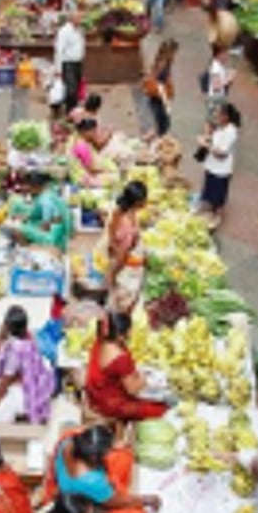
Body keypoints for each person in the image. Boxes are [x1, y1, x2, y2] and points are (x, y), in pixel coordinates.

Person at [42, 424, 160, 513]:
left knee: (121, 455)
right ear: (94, 458)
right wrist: (146, 499)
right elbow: (117, 501)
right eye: (106, 452)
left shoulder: (69, 440)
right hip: (84, 500)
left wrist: (113, 444)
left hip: (68, 487)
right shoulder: (91, 481)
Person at [85, 312, 168, 422]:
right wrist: (144, 379)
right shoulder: (120, 359)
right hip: (111, 404)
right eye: (130, 330)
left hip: (96, 396)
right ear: (120, 336)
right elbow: (132, 390)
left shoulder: (101, 342)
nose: (131, 332)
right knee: (161, 409)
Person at [0, 305, 56, 424]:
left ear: (8, 327)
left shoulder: (15, 351)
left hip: (27, 390)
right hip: (37, 377)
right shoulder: (28, 335)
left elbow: (5, 381)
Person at [102, 181, 148, 312]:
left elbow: (111, 230)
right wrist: (113, 274)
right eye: (145, 199)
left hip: (117, 258)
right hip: (125, 270)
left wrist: (112, 245)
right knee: (123, 304)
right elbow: (123, 255)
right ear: (138, 202)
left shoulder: (120, 211)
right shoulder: (127, 226)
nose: (147, 201)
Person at [197, 102, 241, 222]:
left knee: (217, 197)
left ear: (225, 116)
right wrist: (207, 136)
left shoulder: (231, 132)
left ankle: (216, 217)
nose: (216, 115)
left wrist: (206, 145)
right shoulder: (220, 127)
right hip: (211, 166)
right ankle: (208, 212)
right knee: (209, 191)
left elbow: (221, 154)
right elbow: (214, 139)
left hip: (221, 170)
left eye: (218, 113)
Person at [5, 179, 74, 251]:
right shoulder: (49, 194)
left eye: (30, 188)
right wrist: (26, 218)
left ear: (36, 187)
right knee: (25, 227)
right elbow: (38, 215)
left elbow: (46, 225)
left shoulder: (45, 200)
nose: (29, 191)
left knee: (17, 230)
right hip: (59, 232)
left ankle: (25, 252)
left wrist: (32, 228)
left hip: (54, 236)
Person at [144, 39, 178, 137]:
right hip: (159, 99)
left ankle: (158, 137)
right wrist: (167, 103)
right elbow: (160, 86)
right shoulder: (164, 66)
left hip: (157, 98)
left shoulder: (160, 62)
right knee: (163, 124)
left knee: (162, 123)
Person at [56, 13, 86, 115]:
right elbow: (59, 51)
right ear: (72, 19)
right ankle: (69, 112)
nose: (81, 20)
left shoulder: (79, 30)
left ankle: (74, 112)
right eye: (79, 18)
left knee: (76, 88)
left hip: (78, 63)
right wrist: (58, 69)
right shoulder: (64, 32)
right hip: (68, 64)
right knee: (71, 90)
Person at [204, 43, 234, 121]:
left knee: (212, 122)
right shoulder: (216, 67)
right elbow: (216, 86)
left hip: (218, 98)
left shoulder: (219, 65)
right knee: (212, 122)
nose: (227, 56)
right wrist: (228, 80)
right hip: (215, 99)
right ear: (219, 54)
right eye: (225, 53)